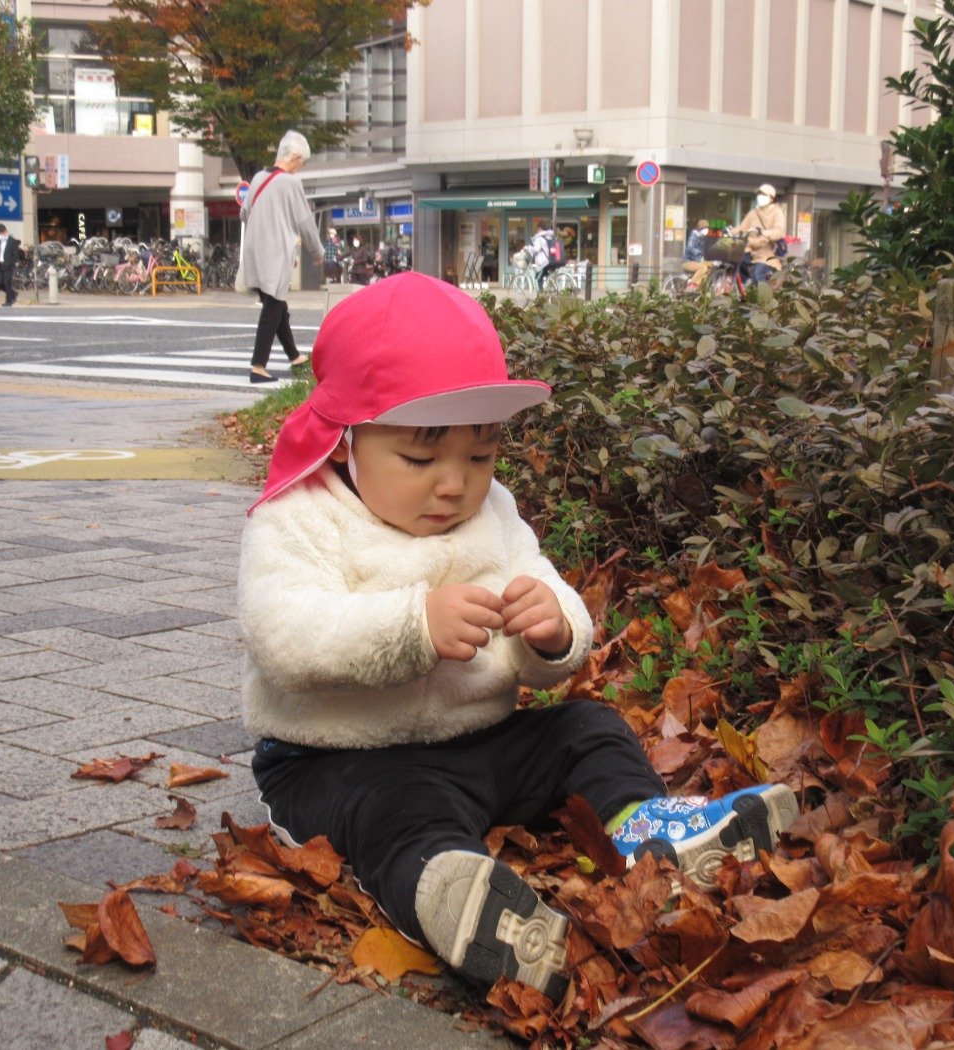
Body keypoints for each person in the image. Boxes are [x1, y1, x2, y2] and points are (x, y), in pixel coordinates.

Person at [237, 272, 799, 1000]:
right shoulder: (300, 518)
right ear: (346, 440)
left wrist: (553, 629)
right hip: (338, 760)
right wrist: (412, 627)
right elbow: (284, 637)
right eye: (421, 458)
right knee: (396, 815)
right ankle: (453, 893)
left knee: (588, 729)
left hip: (479, 743)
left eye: (480, 455)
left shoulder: (492, 512)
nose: (454, 484)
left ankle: (646, 825)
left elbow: (543, 594)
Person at [241, 129, 324, 384]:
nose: (300, 168)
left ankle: (295, 357)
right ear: (296, 158)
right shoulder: (290, 183)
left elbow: (244, 213)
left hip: (254, 251)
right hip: (274, 253)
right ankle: (258, 366)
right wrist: (317, 251)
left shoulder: (258, 178)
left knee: (277, 306)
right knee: (273, 307)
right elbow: (305, 222)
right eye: (302, 162)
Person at [729, 183, 788, 287]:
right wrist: (730, 231)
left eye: (764, 195)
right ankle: (744, 285)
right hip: (750, 249)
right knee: (735, 262)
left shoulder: (777, 212)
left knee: (757, 275)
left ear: (771, 198)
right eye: (759, 195)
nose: (760, 197)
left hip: (767, 253)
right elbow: (742, 228)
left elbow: (780, 231)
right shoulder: (753, 212)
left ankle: (763, 296)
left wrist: (766, 233)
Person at [0, 223, 20, 306]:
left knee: (7, 282)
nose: (0, 235)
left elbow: (15, 255)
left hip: (8, 265)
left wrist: (11, 263)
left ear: (5, 231)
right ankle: (13, 293)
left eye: (1, 233)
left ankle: (9, 301)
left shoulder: (12, 241)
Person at [530, 219, 563, 289]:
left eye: (537, 229)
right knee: (548, 276)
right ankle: (550, 289)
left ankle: (540, 294)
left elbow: (536, 249)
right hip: (553, 260)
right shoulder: (551, 236)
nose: (537, 230)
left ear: (539, 228)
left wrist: (528, 248)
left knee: (538, 278)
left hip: (543, 262)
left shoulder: (539, 238)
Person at [683, 219, 712, 289]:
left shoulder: (703, 237)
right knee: (703, 268)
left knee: (710, 266)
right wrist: (700, 253)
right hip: (688, 261)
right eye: (705, 228)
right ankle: (691, 284)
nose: (706, 230)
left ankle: (700, 287)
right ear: (700, 229)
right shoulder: (694, 235)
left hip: (697, 261)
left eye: (707, 228)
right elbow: (690, 248)